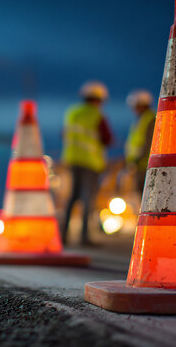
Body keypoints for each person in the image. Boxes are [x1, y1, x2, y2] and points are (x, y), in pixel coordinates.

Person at [61, 81, 112, 246]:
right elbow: (107, 139)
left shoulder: (72, 112)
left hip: (72, 159)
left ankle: (63, 236)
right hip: (90, 162)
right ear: (99, 100)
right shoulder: (97, 115)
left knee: (72, 198)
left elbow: (65, 134)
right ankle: (84, 237)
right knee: (87, 199)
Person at [125, 89, 156, 197]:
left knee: (146, 196)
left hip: (146, 164)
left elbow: (149, 142)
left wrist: (137, 160)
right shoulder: (141, 120)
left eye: (137, 106)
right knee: (142, 195)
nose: (134, 109)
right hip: (140, 164)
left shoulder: (150, 119)